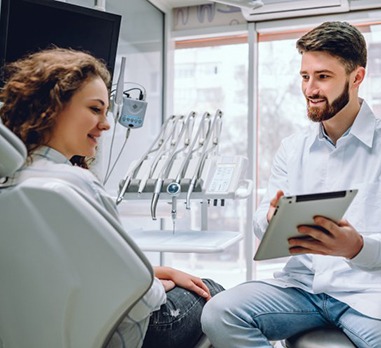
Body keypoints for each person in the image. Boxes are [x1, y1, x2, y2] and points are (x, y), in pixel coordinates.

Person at [0, 47, 224, 348]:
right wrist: (156, 283)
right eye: (95, 109)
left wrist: (157, 272)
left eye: (106, 113)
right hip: (123, 335)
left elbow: (63, 269)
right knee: (215, 293)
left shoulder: (13, 184)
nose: (106, 125)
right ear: (51, 106)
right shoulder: (74, 185)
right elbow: (144, 299)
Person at [201, 21, 381, 347]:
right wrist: (271, 219)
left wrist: (355, 247)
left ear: (356, 78)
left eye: (323, 77)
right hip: (303, 289)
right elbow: (261, 221)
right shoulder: (293, 147)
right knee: (219, 313)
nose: (310, 89)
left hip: (368, 292)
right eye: (305, 76)